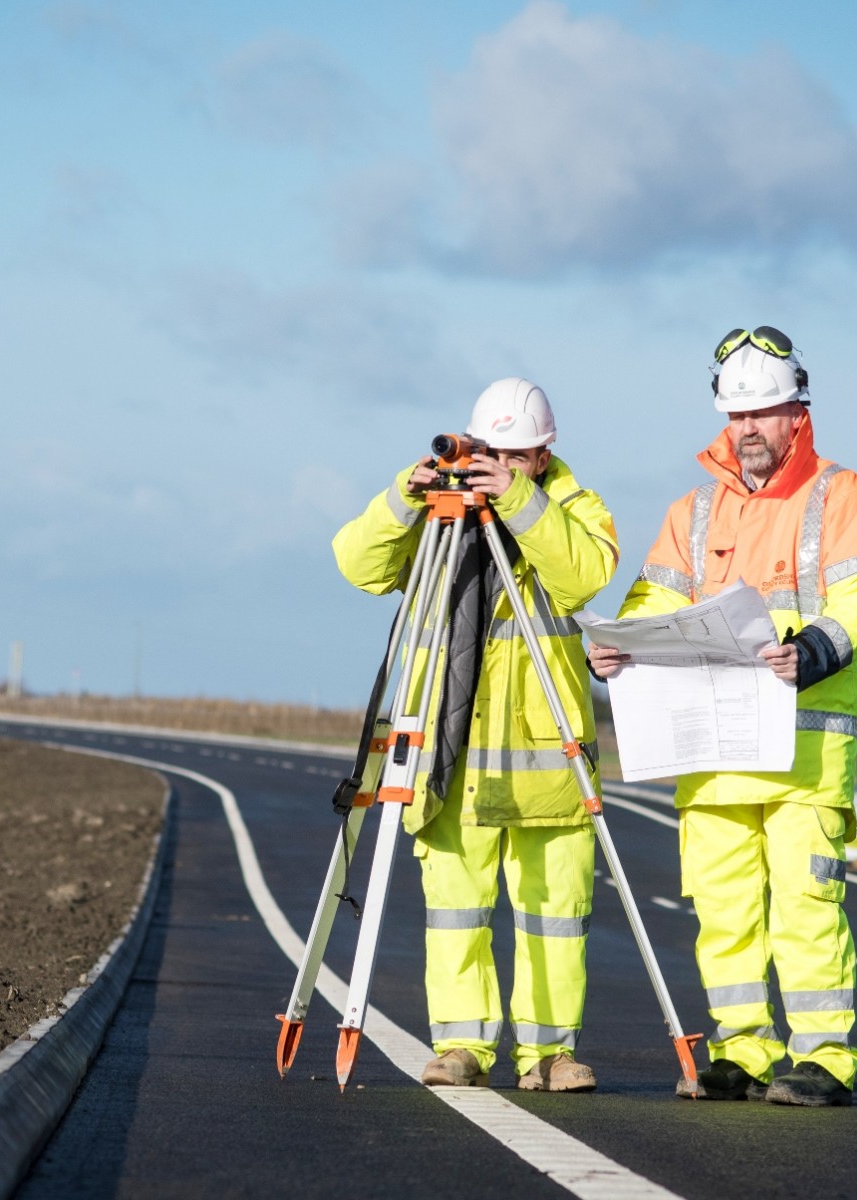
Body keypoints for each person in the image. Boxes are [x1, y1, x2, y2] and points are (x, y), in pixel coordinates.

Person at [588, 327, 857, 1107]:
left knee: (805, 907)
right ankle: (741, 1050)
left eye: (764, 412)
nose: (749, 428)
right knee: (723, 912)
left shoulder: (843, 495)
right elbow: (653, 601)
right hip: (714, 754)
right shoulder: (692, 511)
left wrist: (816, 649)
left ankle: (822, 1059)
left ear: (798, 412)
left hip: (801, 759)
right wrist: (621, 647)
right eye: (738, 415)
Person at [333, 378, 619, 1091]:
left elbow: (583, 577)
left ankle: (551, 1053)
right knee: (456, 913)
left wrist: (520, 504)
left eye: (519, 458)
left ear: (545, 456)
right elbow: (359, 566)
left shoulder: (574, 507)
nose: (502, 467)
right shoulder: (440, 517)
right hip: (451, 760)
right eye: (494, 454)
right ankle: (460, 1044)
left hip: (546, 765)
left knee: (554, 916)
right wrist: (406, 497)